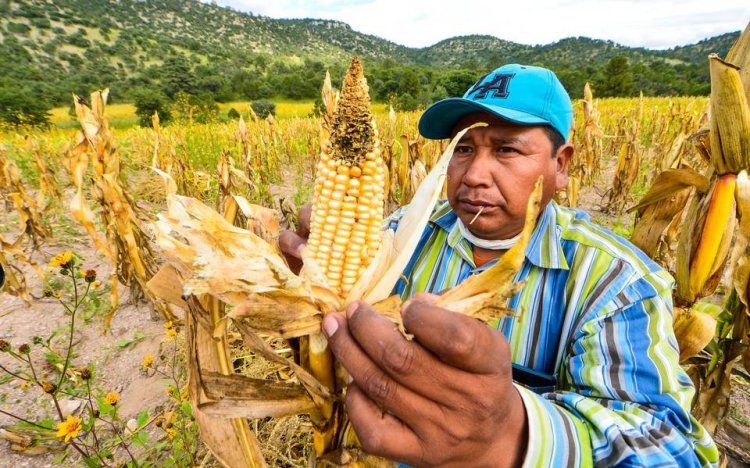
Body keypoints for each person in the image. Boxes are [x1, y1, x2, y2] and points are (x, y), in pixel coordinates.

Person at [280, 64, 719, 467]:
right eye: (464, 148)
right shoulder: (397, 240)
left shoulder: (617, 281)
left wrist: (513, 436)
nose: (474, 174)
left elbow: (674, 449)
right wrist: (302, 295)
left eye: (507, 149)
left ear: (561, 164)